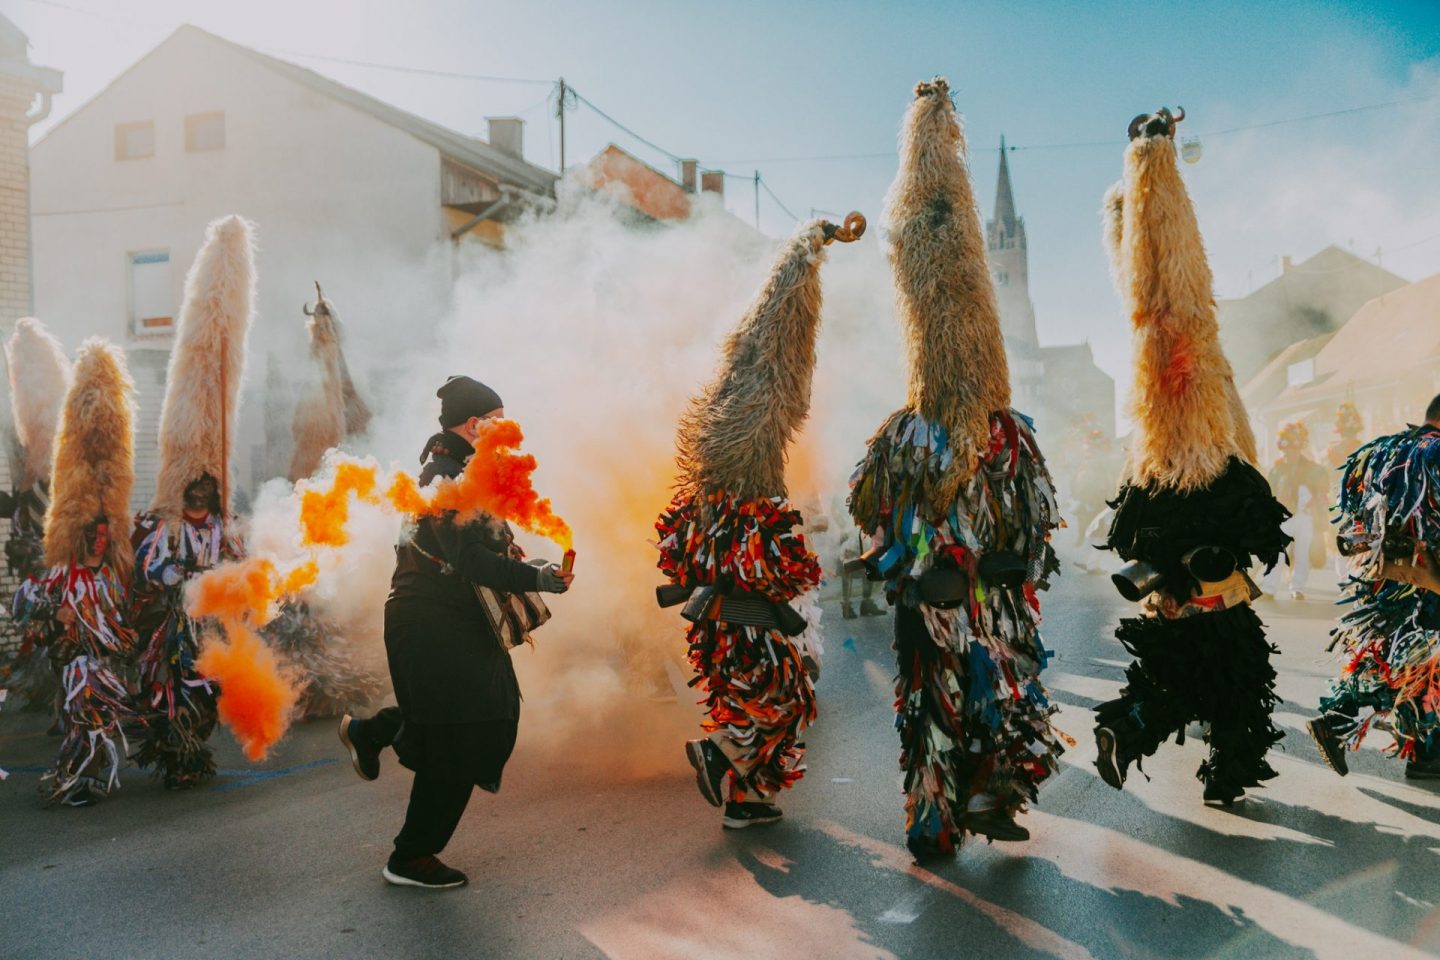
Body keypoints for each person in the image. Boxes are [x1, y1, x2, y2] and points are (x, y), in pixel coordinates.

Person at [848, 79, 1064, 861]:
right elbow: (870, 509)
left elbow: (1036, 518)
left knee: (999, 694)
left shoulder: (1003, 436)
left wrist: (1011, 559)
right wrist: (895, 556)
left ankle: (985, 798)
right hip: (939, 602)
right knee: (938, 709)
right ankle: (939, 814)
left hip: (991, 596)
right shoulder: (906, 435)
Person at [1089, 107, 1290, 808]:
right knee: (1237, 671)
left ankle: (1133, 724)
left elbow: (1149, 294)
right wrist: (1153, 159)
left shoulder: (1157, 409)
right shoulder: (1191, 370)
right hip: (1205, 521)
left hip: (1165, 526)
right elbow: (1174, 295)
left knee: (1177, 665)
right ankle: (1224, 769)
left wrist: (1132, 198)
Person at [658, 213, 863, 832]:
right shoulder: (751, 495)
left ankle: (747, 799)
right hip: (747, 612)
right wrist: (813, 247)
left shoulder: (710, 484)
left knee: (744, 693)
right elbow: (775, 336)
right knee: (785, 692)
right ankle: (720, 753)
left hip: (718, 614)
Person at [339, 375, 573, 890]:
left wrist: (530, 567)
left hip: (444, 624)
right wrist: (535, 578)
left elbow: (478, 554)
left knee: (462, 722)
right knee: (466, 732)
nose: (507, 431)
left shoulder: (461, 469)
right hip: (430, 627)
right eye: (497, 420)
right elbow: (468, 560)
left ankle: (372, 732)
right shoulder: (444, 475)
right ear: (474, 425)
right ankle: (411, 857)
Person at [130, 215, 256, 790]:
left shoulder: (222, 527)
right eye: (195, 486)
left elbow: (238, 567)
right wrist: (184, 574)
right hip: (174, 628)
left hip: (209, 627)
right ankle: (177, 756)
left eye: (209, 484)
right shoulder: (168, 529)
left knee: (209, 691)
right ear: (182, 489)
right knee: (175, 689)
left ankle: (194, 750)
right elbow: (150, 570)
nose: (202, 491)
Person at [11, 338, 139, 806]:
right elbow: (22, 601)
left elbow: (129, 607)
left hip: (105, 664)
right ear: (78, 534)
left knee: (98, 717)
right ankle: (80, 778)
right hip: (76, 663)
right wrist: (55, 609)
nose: (100, 540)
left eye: (106, 534)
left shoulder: (112, 574)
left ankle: (87, 776)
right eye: (94, 534)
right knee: (85, 712)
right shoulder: (63, 572)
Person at [1309, 394, 1440, 780]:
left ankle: (1427, 754)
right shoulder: (1434, 454)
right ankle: (1337, 719)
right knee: (1412, 662)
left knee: (1414, 662)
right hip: (1426, 578)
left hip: (1386, 573)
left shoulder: (1385, 450)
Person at [1264, 422, 1329, 600]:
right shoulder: (1277, 469)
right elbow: (1268, 491)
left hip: (1305, 517)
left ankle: (1297, 587)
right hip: (1283, 517)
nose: (1290, 453)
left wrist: (1315, 501)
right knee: (1277, 553)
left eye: (1293, 449)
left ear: (1299, 448)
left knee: (1302, 553)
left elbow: (1323, 484)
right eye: (1287, 450)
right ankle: (1269, 589)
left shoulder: (1311, 467)